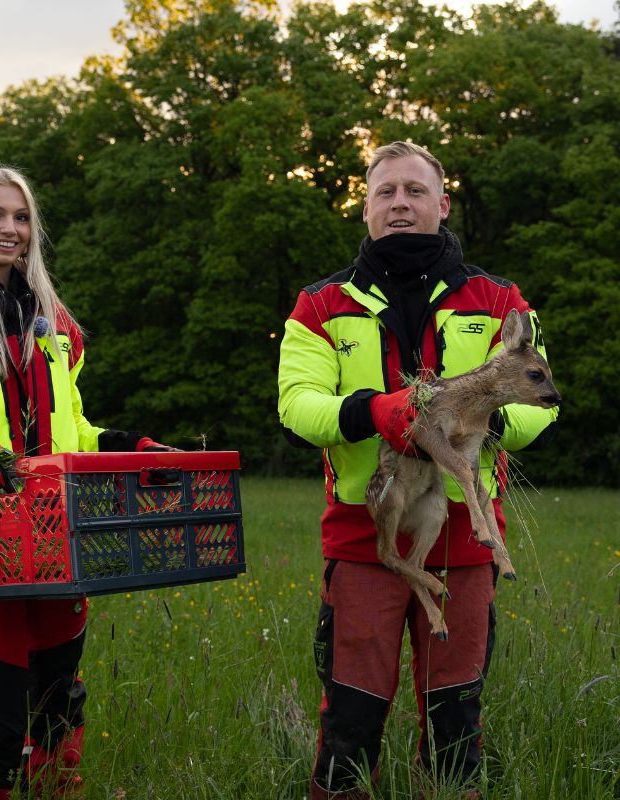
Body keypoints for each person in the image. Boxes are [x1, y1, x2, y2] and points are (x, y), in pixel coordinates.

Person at [277, 141, 558, 799]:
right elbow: (298, 405)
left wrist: (478, 421)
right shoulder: (320, 305)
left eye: (414, 190)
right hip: (362, 540)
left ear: (442, 203)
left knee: (455, 716)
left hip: (463, 542)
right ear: (366, 207)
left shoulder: (500, 300)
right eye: (385, 192)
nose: (400, 203)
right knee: (350, 716)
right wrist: (381, 411)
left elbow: (542, 402)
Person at [0, 163, 169, 799]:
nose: (8, 229)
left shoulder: (55, 322)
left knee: (59, 702)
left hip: (54, 533)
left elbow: (76, 429)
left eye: (20, 217)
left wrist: (132, 447)